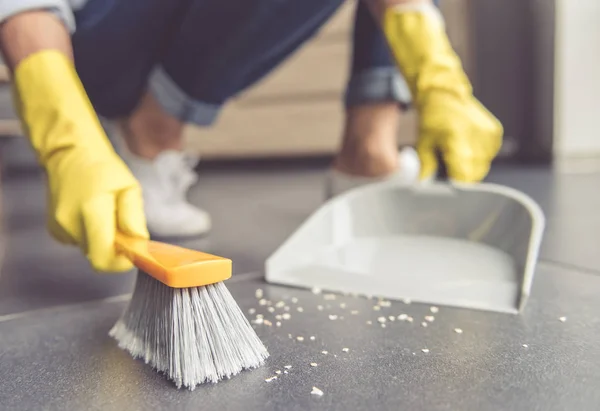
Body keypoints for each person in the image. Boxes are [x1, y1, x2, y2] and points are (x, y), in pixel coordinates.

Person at [0, 0, 502, 273]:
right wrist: (67, 140)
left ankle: (368, 152)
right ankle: (148, 138)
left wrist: (436, 73)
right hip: (92, 37)